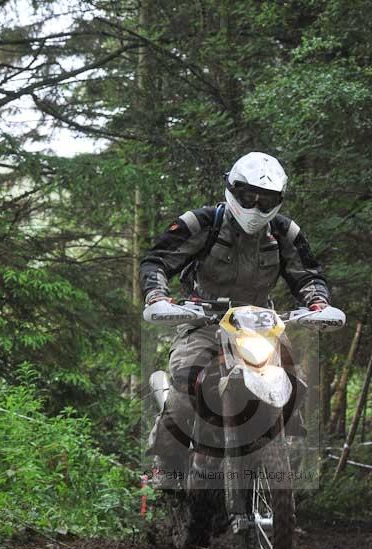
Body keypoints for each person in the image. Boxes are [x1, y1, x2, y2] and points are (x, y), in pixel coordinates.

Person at [140, 151, 331, 480]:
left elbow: (308, 275)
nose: (257, 207)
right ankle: (167, 467)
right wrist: (158, 295)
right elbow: (157, 261)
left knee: (294, 383)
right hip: (204, 321)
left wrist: (318, 303)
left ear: (278, 200)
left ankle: (278, 456)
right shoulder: (203, 223)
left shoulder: (284, 233)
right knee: (187, 383)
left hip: (260, 324)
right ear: (232, 189)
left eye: (266, 199)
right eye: (249, 197)